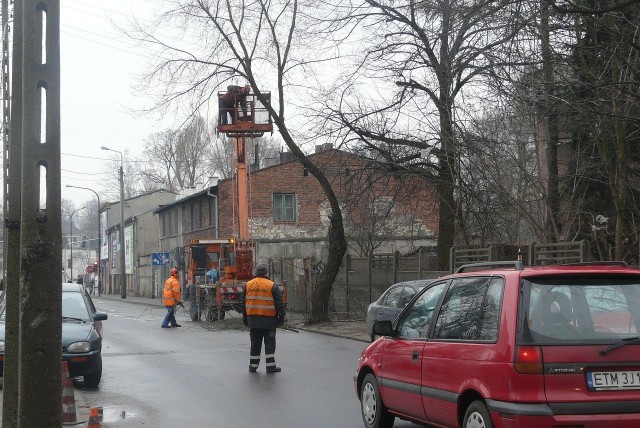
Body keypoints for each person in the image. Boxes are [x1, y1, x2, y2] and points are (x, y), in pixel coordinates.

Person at [243, 263, 285, 373]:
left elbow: (243, 303)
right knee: (270, 344)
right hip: (269, 321)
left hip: (253, 321)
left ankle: (253, 366)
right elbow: (279, 304)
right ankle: (270, 366)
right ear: (266, 272)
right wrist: (281, 317)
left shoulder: (248, 285)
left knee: (255, 343)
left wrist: (245, 319)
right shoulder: (272, 285)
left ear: (256, 272)